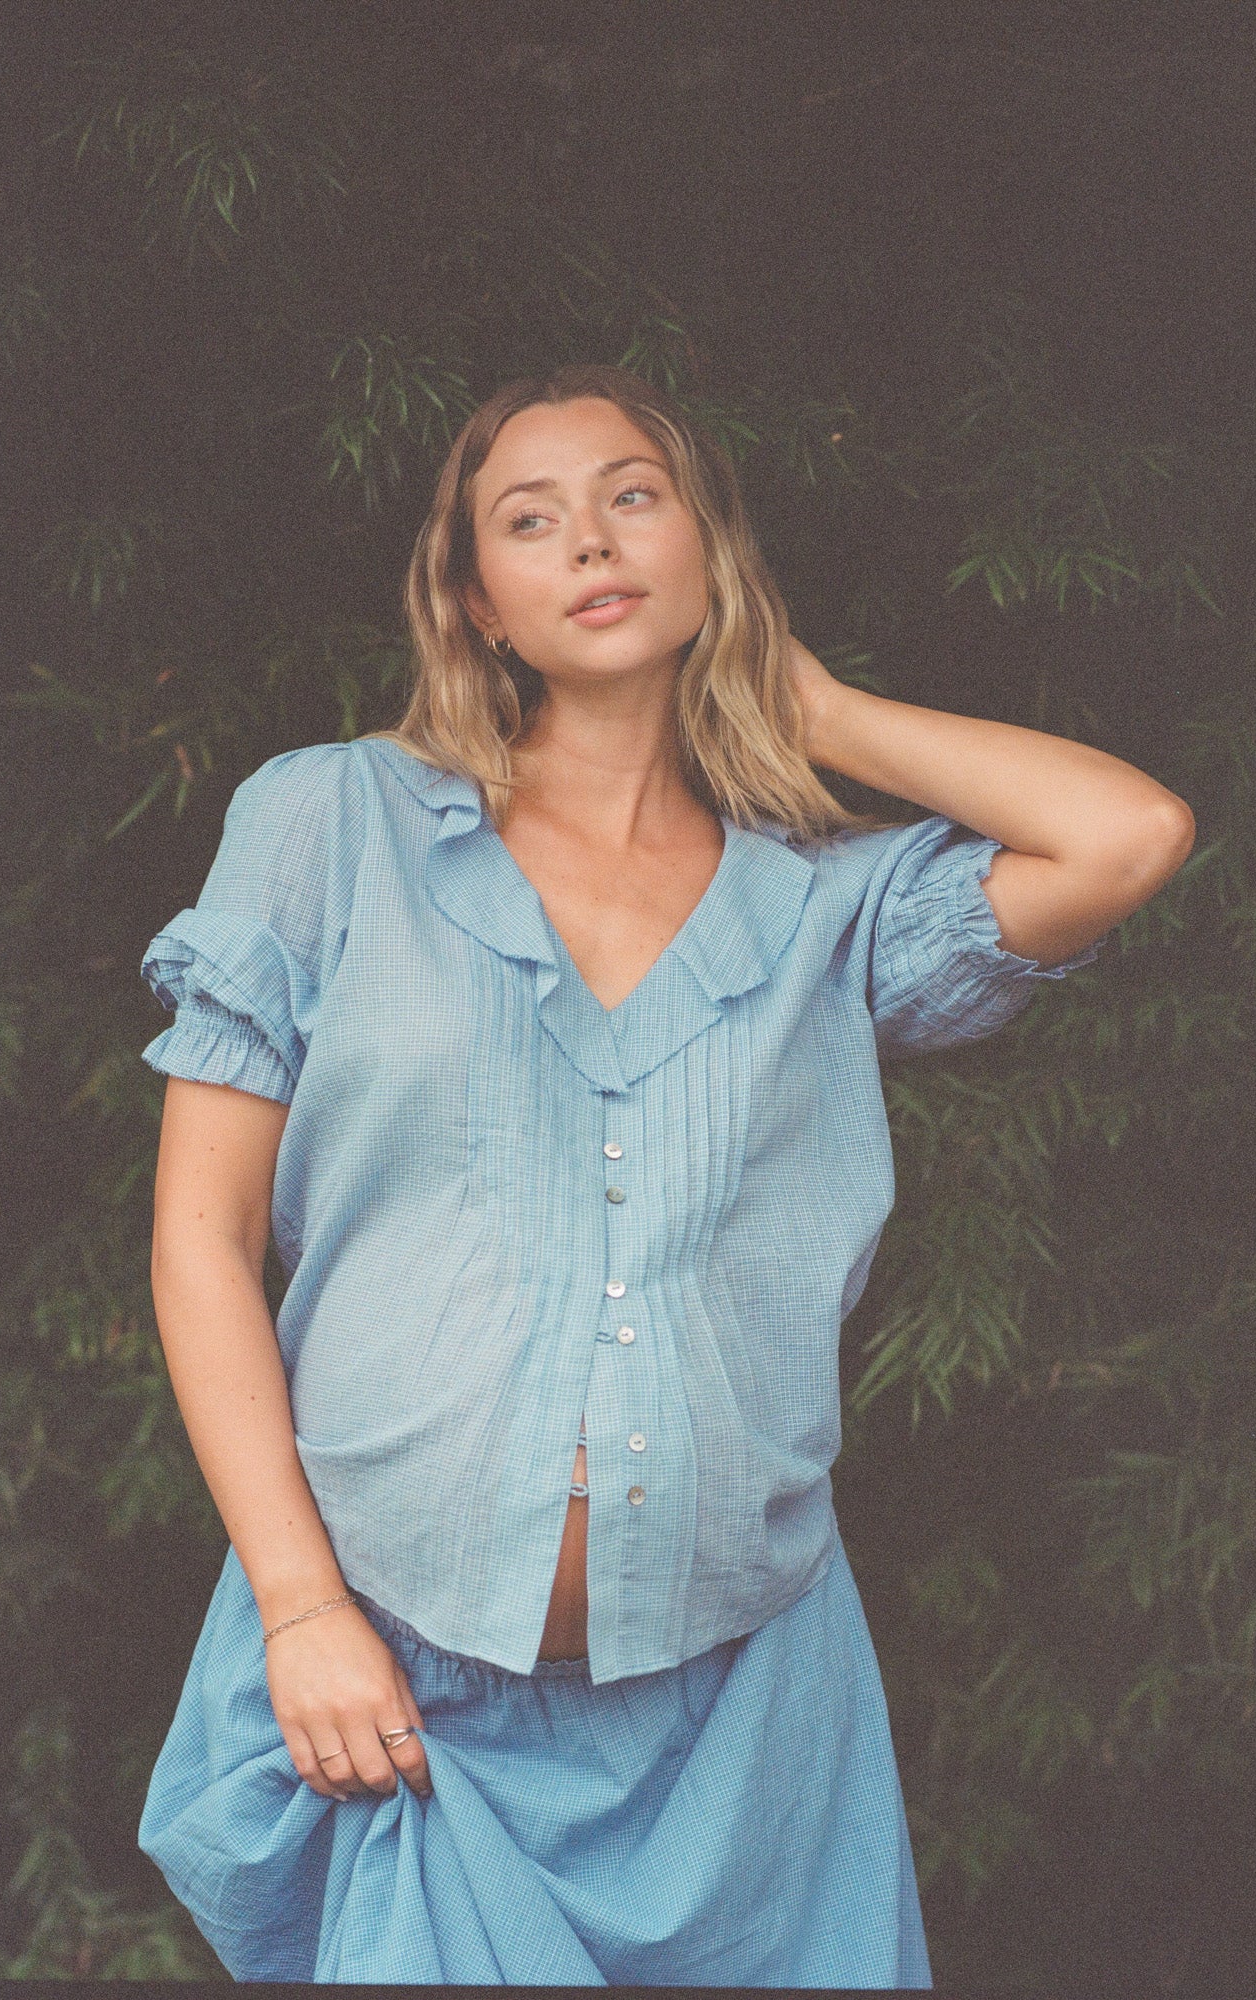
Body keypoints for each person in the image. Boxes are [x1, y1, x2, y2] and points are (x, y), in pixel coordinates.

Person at [133, 363, 1195, 1987]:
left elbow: (1125, 838)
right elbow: (199, 1244)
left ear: (709, 550)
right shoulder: (332, 826)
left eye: (634, 496)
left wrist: (799, 701)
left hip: (746, 1724)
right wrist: (298, 1607)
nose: (589, 541)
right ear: (479, 601)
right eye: (529, 519)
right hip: (414, 1696)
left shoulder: (826, 908)